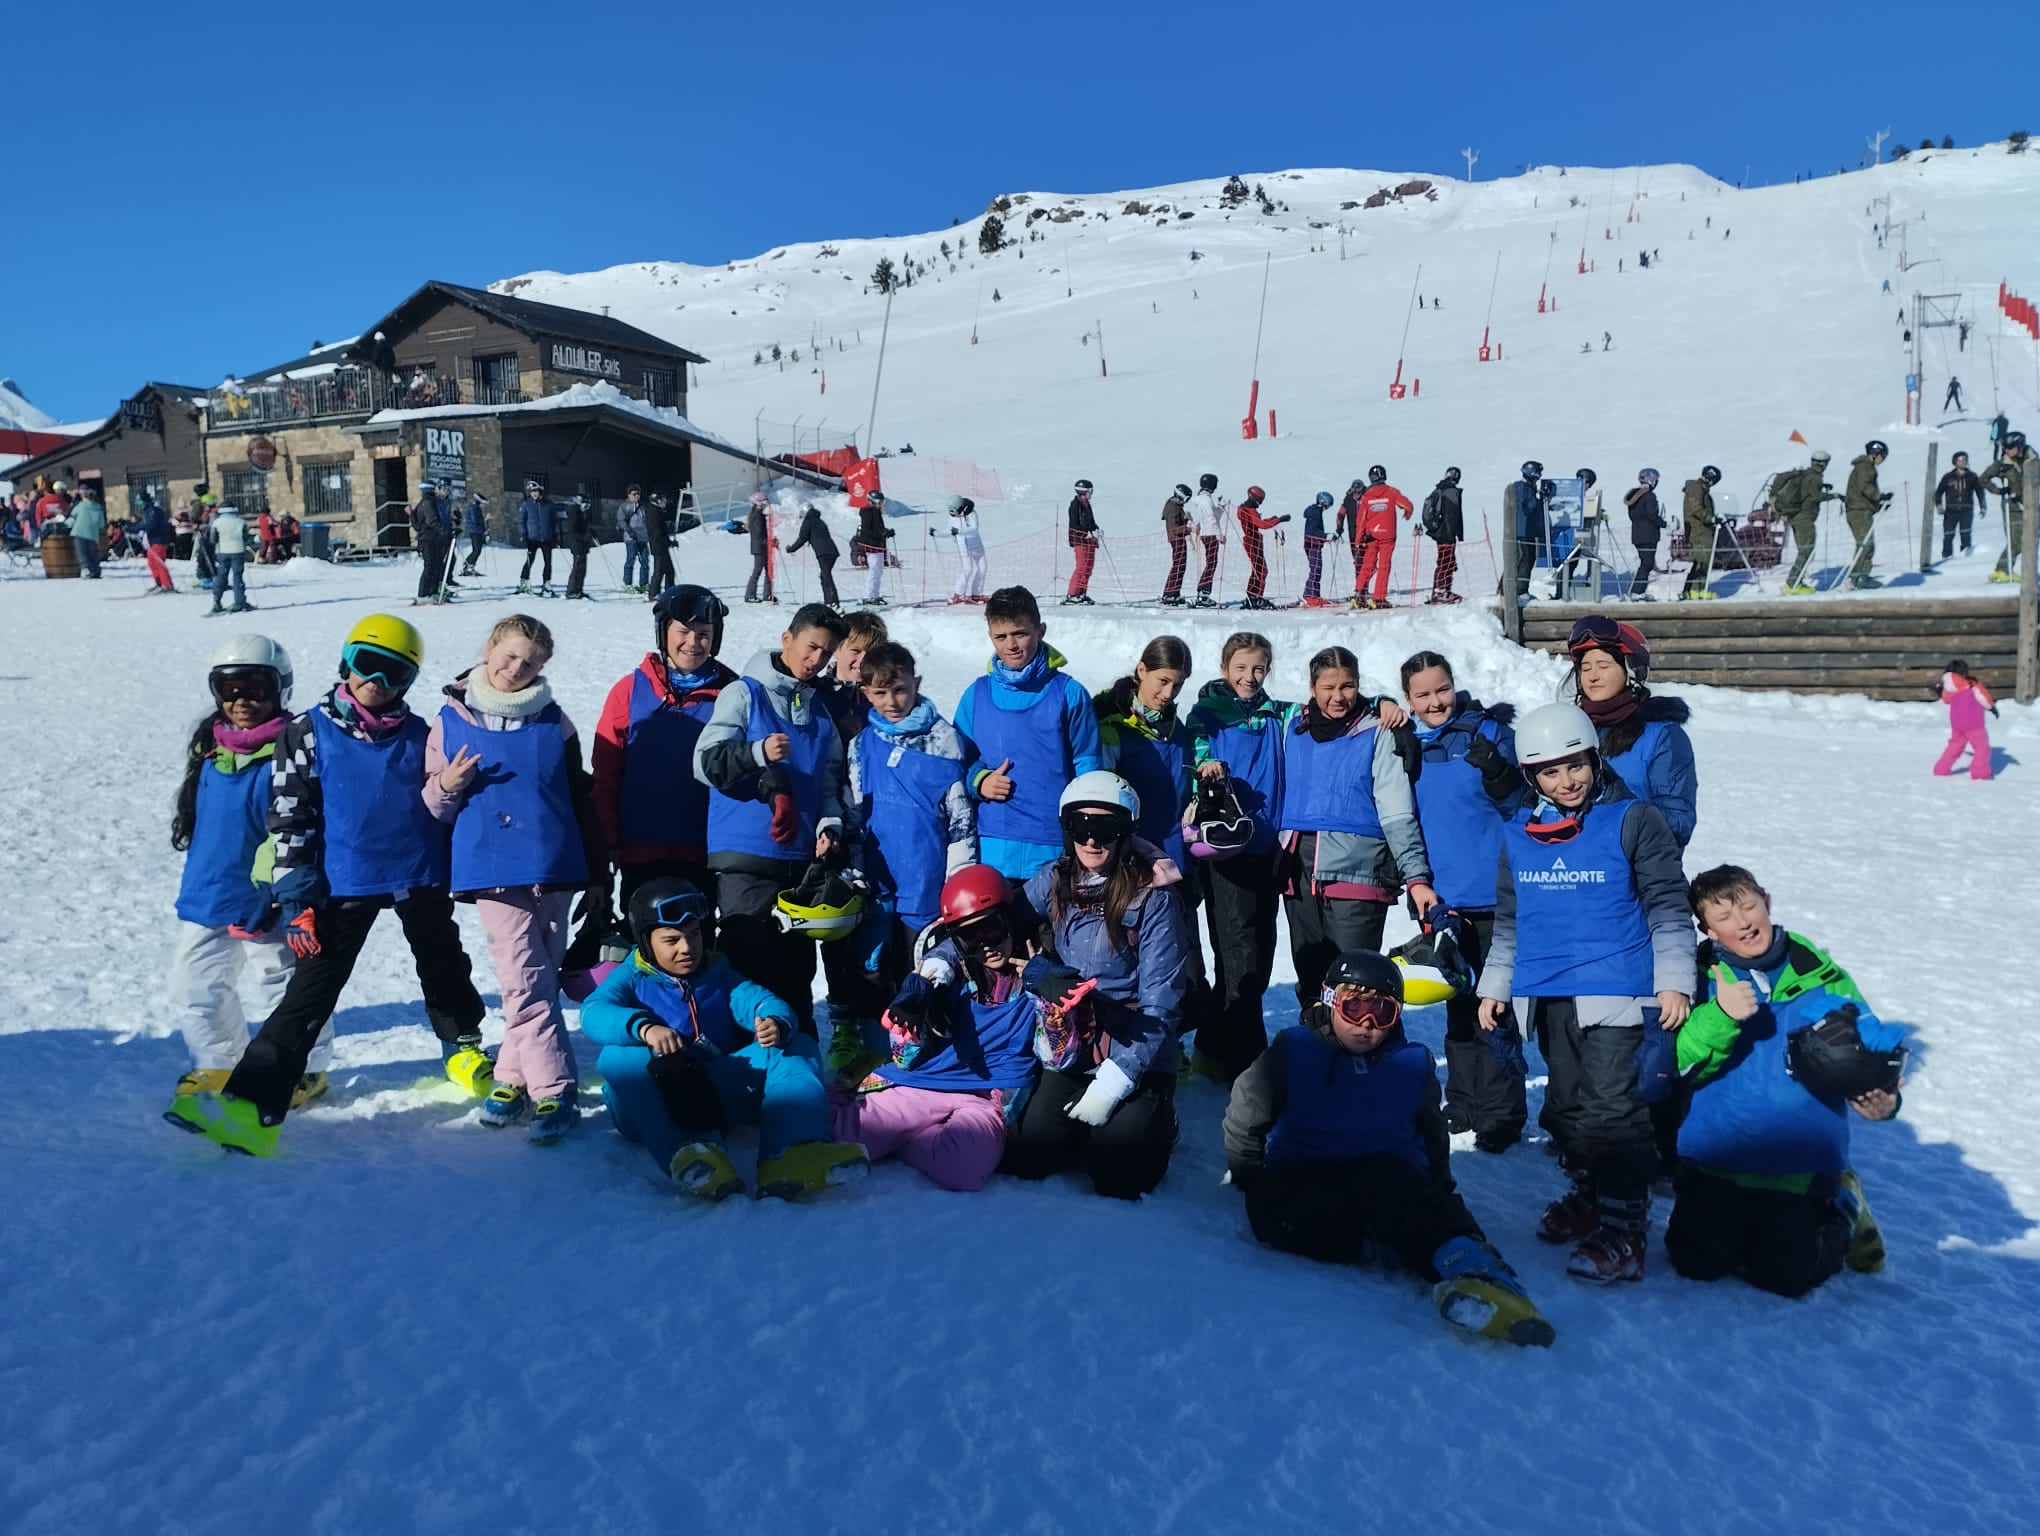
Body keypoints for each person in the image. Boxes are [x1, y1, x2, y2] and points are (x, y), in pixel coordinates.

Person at [164, 615, 490, 1155]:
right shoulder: (309, 732)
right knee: (307, 993)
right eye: (367, 665)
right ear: (345, 663)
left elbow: (458, 782)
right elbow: (289, 821)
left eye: (394, 674)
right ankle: (251, 1106)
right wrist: (297, 900)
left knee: (445, 967)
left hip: (418, 873)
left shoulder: (423, 734)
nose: (377, 682)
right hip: (345, 884)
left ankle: (464, 1046)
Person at [1222, 949, 1555, 1346]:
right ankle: (1391, 1240)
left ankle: (1479, 1275)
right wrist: (1247, 1174)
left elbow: (1430, 1130)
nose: (1367, 1023)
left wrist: (1439, 1188)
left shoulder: (1411, 1064)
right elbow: (1246, 1113)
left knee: (1406, 1194)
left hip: (1384, 1178)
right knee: (1290, 1215)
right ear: (1329, 1002)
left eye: (1382, 1012)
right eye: (1355, 1007)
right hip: (1303, 1179)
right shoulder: (1293, 1051)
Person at [1475, 702, 1693, 1284]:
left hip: (1619, 990)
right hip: (1548, 994)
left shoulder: (1632, 818)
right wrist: (1494, 985)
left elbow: (1668, 904)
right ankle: (1593, 1196)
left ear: (1594, 759)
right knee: (1568, 1110)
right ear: (1531, 778)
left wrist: (1674, 979)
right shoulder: (1518, 835)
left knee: (1611, 1113)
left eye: (1575, 765)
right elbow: (1510, 920)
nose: (1566, 781)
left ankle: (1625, 1230)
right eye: (1549, 771)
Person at [1668, 866, 1901, 1296]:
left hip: (1799, 1164)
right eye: (1723, 916)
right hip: (1716, 1156)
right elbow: (1677, 1062)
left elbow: (1872, 1054)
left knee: (1785, 1277)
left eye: (1748, 906)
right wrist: (1719, 1015)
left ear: (1767, 903)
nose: (1742, 922)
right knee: (1695, 1263)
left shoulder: (1823, 977)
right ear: (1707, 930)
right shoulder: (1694, 977)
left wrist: (1884, 1099)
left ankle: (1846, 1208)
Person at [423, 614, 603, 1142]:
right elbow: (432, 805)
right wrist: (448, 784)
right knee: (523, 979)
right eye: (508, 655)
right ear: (488, 648)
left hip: (555, 864)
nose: (515, 669)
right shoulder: (450, 720)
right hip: (493, 868)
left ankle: (511, 1077)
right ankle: (555, 1089)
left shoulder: (555, 721)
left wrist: (596, 871)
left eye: (529, 662)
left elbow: (578, 795)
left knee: (538, 977)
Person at [579, 876, 868, 1198]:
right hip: (648, 1103)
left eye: (693, 935)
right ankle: (690, 1155)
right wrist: (644, 1028)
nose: (686, 948)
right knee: (619, 1058)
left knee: (795, 1043)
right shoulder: (631, 978)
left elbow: (761, 1000)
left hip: (710, 1088)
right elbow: (593, 1011)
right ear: (646, 941)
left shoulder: (718, 973)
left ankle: (792, 1153)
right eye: (671, 940)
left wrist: (774, 1020)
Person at [1003, 772, 1190, 1198]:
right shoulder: (1056, 878)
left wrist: (1116, 1079)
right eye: (1079, 828)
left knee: (1117, 1174)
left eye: (1105, 830)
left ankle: (1158, 1119)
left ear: (1126, 833)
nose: (1091, 841)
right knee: (1031, 1155)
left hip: (1135, 1048)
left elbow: (1160, 1004)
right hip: (1073, 1042)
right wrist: (941, 958)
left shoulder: (1154, 898)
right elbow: (995, 921)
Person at [166, 637, 332, 1108]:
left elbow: (295, 829)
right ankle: (219, 1061)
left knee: (286, 986)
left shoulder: (293, 750)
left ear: (280, 689)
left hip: (271, 899)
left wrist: (277, 892)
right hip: (210, 893)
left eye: (256, 688)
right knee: (194, 985)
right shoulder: (210, 746)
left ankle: (309, 1070)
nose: (242, 700)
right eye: (229, 688)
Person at [693, 603, 850, 1036]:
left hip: (800, 864)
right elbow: (704, 763)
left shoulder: (819, 713)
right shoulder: (745, 694)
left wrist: (829, 826)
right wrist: (758, 753)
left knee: (795, 972)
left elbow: (829, 784)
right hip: (745, 858)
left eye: (826, 652)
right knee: (748, 967)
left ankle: (795, 1074)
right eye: (811, 646)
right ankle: (742, 1067)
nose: (816, 659)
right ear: (787, 640)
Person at [837, 866, 1041, 1190]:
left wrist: (1055, 1006)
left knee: (966, 1170)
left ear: (1010, 920)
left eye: (993, 928)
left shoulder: (1033, 977)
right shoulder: (944, 978)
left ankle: (905, 1138)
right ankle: (848, 1094)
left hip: (985, 1096)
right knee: (846, 1135)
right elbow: (906, 1057)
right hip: (925, 1083)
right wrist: (913, 1026)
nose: (986, 944)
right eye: (971, 937)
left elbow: (1058, 1054)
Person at [1401, 652, 1527, 1151]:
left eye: (1442, 689)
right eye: (1423, 694)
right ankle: (1465, 1099)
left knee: (1494, 1007)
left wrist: (1499, 771)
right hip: (1442, 898)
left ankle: (1503, 1111)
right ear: (1408, 700)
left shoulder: (1489, 733)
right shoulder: (1407, 745)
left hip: (1494, 894)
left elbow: (1523, 804)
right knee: (1455, 1003)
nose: (1436, 701)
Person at [835, 642, 980, 1070]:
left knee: (922, 973)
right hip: (878, 882)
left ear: (916, 683)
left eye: (899, 689)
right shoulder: (862, 744)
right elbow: (854, 808)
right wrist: (856, 871)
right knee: (872, 969)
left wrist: (958, 882)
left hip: (928, 882)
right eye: (879, 693)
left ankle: (924, 1056)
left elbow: (960, 822)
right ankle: (873, 1054)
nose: (891, 702)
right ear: (864, 693)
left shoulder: (946, 742)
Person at [1277, 645, 1428, 1005]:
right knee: (1312, 982)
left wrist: (1416, 875)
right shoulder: (1292, 728)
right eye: (1328, 687)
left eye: (1348, 686)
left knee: (1356, 984)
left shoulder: (1377, 732)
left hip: (1358, 872)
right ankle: (1315, 1052)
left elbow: (1397, 811)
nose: (1338, 697)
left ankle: (1366, 1056)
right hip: (1300, 872)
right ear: (1312, 687)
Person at [591, 584, 737, 940]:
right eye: (683, 632)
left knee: (697, 944)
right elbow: (607, 772)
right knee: (647, 944)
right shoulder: (629, 691)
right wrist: (606, 842)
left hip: (705, 849)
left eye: (704, 635)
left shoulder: (734, 693)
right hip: (641, 848)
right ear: (663, 633)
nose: (693, 643)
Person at [1184, 632, 1285, 1081]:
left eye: (1258, 668)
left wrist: (1380, 701)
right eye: (1241, 667)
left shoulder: (1276, 713)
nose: (1249, 677)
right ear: (1225, 667)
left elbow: (1326, 711)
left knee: (1262, 948)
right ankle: (1246, 1058)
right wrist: (1205, 766)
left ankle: (1212, 1043)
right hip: (1225, 847)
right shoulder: (1207, 715)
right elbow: (1194, 751)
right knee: (1237, 950)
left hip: (1268, 846)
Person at [953, 586, 1104, 879]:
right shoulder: (976, 695)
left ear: (1040, 630)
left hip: (1053, 848)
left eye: (1020, 633)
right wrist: (979, 780)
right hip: (991, 848)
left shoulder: (1069, 694)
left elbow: (1088, 764)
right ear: (990, 637)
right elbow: (957, 760)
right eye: (1001, 636)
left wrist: (1088, 828)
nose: (1010, 644)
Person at [1567, 614, 1697, 848]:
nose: (1592, 676)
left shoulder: (1661, 737)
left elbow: (1679, 823)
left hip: (1635, 876)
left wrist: (1617, 806)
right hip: (1576, 874)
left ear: (1631, 671)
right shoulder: (1570, 732)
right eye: (1585, 668)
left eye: (1603, 666)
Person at [1774, 450, 1839, 593]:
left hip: (1795, 517)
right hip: (1805, 518)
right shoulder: (1815, 478)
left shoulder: (1804, 474)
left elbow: (1807, 491)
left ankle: (1795, 582)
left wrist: (1822, 487)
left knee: (1803, 551)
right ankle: (1793, 583)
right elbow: (1814, 496)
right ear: (1823, 464)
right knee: (1806, 551)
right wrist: (1833, 496)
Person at [1349, 465, 1412, 611]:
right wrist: (1407, 513)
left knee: (1367, 566)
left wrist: (1358, 541)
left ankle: (1358, 595)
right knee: (1384, 567)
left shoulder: (1367, 496)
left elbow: (1361, 521)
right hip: (1387, 537)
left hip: (1371, 537)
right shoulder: (1391, 492)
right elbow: (1407, 505)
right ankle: (1378, 598)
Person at [1932, 659, 1997, 779]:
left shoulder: (1948, 687)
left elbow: (1946, 699)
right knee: (1982, 748)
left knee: (1954, 747)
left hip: (1957, 725)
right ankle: (1980, 773)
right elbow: (1982, 697)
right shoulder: (1972, 684)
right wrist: (1992, 707)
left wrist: (1940, 692)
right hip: (1974, 724)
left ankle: (1940, 769)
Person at [1983, 431, 2030, 583]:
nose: (2007, 450)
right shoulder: (2002, 464)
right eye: (2005, 447)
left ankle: (2006, 569)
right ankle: (2002, 570)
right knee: (2016, 541)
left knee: (2030, 539)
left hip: (2030, 505)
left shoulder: (2031, 460)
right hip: (2012, 507)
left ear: (2019, 446)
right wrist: (1999, 490)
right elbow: (1983, 479)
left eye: (2010, 447)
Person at [1842, 441, 1890, 590]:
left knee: (1865, 544)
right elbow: (1865, 488)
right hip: (1859, 512)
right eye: (1883, 456)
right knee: (1866, 544)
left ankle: (1859, 576)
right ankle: (1859, 577)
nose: (1883, 460)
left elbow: (1861, 493)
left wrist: (1878, 504)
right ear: (1875, 454)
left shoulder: (1864, 467)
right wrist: (1879, 497)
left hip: (1860, 510)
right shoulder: (1865, 468)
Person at [1234, 484, 1288, 609]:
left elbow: (1258, 522)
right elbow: (1262, 524)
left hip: (1253, 540)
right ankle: (1256, 597)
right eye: (1259, 500)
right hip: (1252, 541)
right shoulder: (1248, 510)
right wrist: (1279, 520)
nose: (1260, 503)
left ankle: (1251, 597)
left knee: (1257, 570)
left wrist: (1273, 519)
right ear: (1252, 497)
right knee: (1261, 570)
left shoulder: (1246, 509)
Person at [785, 501, 841, 606]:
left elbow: (802, 538)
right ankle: (829, 600)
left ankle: (833, 601)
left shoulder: (808, 522)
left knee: (826, 575)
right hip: (832, 551)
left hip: (823, 553)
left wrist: (791, 549)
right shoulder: (820, 521)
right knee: (824, 575)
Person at [1422, 468, 1465, 605]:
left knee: (1444, 560)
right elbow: (1453, 515)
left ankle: (1441, 590)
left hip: (1440, 532)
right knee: (1446, 561)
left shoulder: (1439, 489)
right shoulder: (1451, 492)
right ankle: (1442, 591)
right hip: (1447, 533)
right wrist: (1454, 532)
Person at [1680, 465, 1723, 599]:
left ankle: (1694, 589)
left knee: (1702, 560)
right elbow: (1695, 509)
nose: (1712, 482)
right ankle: (1696, 590)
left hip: (1702, 530)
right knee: (1703, 560)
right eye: (1712, 479)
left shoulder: (1701, 489)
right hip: (1698, 530)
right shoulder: (1695, 488)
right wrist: (1710, 518)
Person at [1934, 451, 1985, 559]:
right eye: (1960, 460)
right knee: (1948, 535)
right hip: (1951, 511)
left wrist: (1983, 506)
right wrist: (1939, 505)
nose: (1963, 462)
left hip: (1966, 510)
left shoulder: (1972, 476)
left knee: (1965, 534)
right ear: (1955, 462)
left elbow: (1980, 492)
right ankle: (1946, 557)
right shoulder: (1948, 477)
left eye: (1965, 460)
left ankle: (1966, 558)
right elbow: (1939, 492)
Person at [1186, 472, 1227, 606]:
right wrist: (1219, 535)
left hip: (1205, 534)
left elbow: (1211, 514)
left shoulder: (1199, 499)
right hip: (1210, 534)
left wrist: (1220, 507)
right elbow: (1211, 519)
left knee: (1211, 563)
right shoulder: (1206, 500)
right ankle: (1203, 594)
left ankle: (1203, 593)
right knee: (1211, 564)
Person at [1624, 469, 1665, 599]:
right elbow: (1652, 515)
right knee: (1647, 563)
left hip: (1637, 534)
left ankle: (1638, 591)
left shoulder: (1634, 496)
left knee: (1645, 562)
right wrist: (1664, 523)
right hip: (1648, 535)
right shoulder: (1649, 496)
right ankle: (1637, 592)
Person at [1510, 461, 1548, 597]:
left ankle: (1519, 589)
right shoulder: (1522, 488)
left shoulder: (1524, 488)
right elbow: (1528, 508)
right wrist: (1537, 497)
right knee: (1525, 560)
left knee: (1526, 559)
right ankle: (1519, 591)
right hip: (1523, 531)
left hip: (1528, 531)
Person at [408, 480, 450, 605]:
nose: (438, 490)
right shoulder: (428, 503)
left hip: (432, 539)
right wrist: (446, 531)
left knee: (436, 566)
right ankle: (423, 594)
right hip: (429, 540)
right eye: (436, 488)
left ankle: (432, 592)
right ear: (432, 489)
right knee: (430, 567)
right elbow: (432, 521)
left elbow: (416, 524)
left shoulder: (427, 502)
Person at [853, 489, 895, 605]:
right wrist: (882, 533)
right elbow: (867, 531)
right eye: (879, 502)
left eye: (882, 502)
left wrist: (886, 532)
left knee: (878, 571)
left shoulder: (875, 511)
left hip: (877, 544)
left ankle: (874, 595)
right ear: (872, 501)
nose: (881, 504)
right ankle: (868, 596)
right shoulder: (868, 512)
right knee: (874, 570)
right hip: (872, 545)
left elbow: (878, 528)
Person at [208, 504, 251, 614]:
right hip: (238, 551)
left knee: (221, 576)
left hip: (222, 551)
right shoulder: (241, 522)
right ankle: (239, 601)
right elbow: (246, 537)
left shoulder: (217, 522)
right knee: (238, 577)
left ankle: (217, 602)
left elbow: (213, 539)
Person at [517, 480, 557, 595]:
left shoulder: (549, 504)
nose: (534, 494)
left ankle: (547, 584)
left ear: (540, 492)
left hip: (546, 538)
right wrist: (524, 534)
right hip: (532, 538)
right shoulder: (526, 504)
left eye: (536, 491)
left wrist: (554, 535)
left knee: (548, 562)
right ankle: (524, 584)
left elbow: (553, 521)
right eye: (532, 492)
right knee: (529, 561)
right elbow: (521, 521)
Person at [946, 494, 988, 604]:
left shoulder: (971, 513)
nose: (952, 512)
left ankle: (976, 594)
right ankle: (958, 594)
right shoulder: (952, 516)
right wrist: (936, 533)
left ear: (959, 506)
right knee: (967, 569)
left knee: (982, 569)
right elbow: (949, 530)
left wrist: (959, 532)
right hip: (964, 548)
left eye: (953, 510)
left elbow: (974, 528)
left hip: (977, 546)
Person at [1064, 477, 1100, 605]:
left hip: (1089, 541)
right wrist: (1087, 533)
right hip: (1080, 540)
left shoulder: (1086, 505)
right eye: (1090, 492)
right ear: (1083, 492)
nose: (1091, 495)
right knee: (1081, 567)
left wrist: (1095, 529)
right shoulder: (1075, 506)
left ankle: (1081, 593)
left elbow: (1090, 521)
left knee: (1088, 568)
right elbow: (1075, 524)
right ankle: (1073, 594)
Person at [1298, 490, 1335, 606]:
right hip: (1312, 544)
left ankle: (1314, 594)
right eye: (1328, 505)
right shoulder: (1315, 512)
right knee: (1315, 569)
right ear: (1324, 502)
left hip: (1314, 543)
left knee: (1316, 569)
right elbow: (1312, 531)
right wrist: (1325, 536)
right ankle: (1310, 595)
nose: (1327, 508)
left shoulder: (1315, 511)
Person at [1159, 482, 1193, 605]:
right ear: (1180, 496)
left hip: (1179, 538)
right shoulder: (1173, 507)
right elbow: (1173, 528)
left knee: (1180, 566)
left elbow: (1178, 523)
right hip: (1176, 539)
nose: (1186, 501)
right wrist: (1189, 529)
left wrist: (1186, 519)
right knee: (1178, 566)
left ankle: (1174, 593)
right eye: (1186, 498)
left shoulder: (1176, 506)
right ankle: (1169, 594)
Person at [68, 484, 107, 580]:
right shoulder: (99, 508)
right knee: (92, 553)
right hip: (93, 534)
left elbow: (72, 514)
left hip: (79, 532)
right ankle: (96, 569)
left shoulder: (81, 505)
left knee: (82, 552)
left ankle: (86, 569)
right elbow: (101, 524)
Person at [744, 490, 775, 604]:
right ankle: (750, 595)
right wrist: (767, 542)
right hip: (759, 547)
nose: (766, 506)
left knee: (769, 570)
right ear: (759, 504)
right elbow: (758, 533)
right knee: (757, 571)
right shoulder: (757, 516)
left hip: (762, 546)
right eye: (765, 503)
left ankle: (767, 594)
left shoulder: (758, 515)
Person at [617, 485, 649, 592]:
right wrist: (629, 531)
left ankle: (644, 584)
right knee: (630, 560)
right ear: (629, 495)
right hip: (631, 538)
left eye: (638, 494)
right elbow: (621, 520)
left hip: (643, 537)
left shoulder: (643, 507)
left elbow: (647, 520)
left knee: (645, 561)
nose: (636, 496)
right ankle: (627, 584)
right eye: (634, 494)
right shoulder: (624, 506)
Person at [561, 494, 593, 599]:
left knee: (583, 569)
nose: (586, 507)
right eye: (585, 504)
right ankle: (571, 591)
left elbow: (585, 527)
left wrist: (592, 533)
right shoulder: (574, 512)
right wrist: (585, 536)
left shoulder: (583, 513)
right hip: (577, 544)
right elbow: (573, 530)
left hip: (583, 545)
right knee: (577, 568)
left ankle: (579, 589)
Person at [459, 492, 488, 578]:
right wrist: (485, 519)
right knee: (476, 550)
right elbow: (475, 520)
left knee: (477, 550)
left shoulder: (476, 507)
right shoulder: (473, 508)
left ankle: (470, 566)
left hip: (477, 531)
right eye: (483, 503)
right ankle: (467, 565)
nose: (483, 505)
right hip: (474, 531)